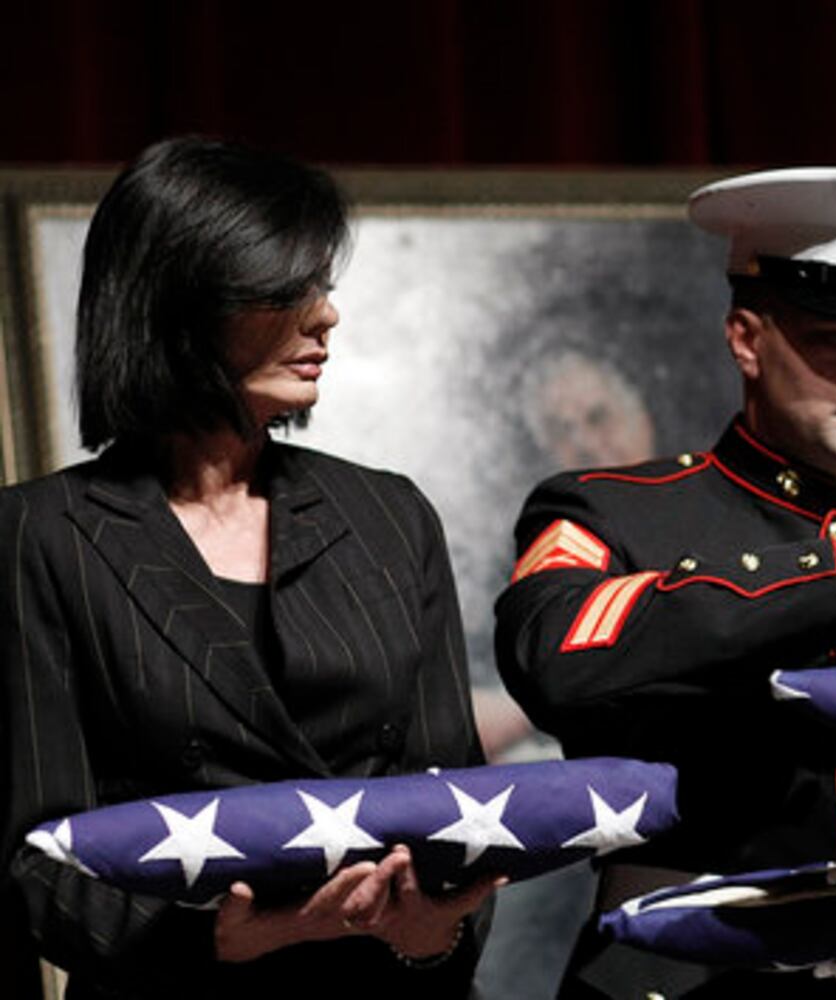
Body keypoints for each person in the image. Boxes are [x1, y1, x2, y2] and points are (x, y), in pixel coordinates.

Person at [496, 166, 836, 997]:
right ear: (747, 338)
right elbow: (555, 658)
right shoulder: (616, 515)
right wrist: (835, 579)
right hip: (694, 976)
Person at [0, 136, 498, 998]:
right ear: (179, 304)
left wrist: (435, 932)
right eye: (286, 289)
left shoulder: (388, 514)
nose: (325, 316)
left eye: (323, 285)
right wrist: (225, 942)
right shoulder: (41, 533)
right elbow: (32, 854)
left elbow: (459, 800)